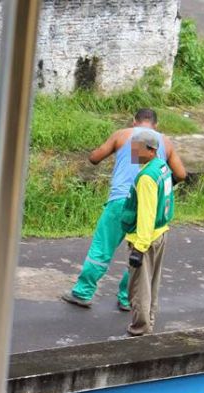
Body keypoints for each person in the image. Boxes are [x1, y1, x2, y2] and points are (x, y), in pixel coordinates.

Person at [61, 108, 186, 311]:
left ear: (134, 121)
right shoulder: (165, 142)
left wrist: (116, 153)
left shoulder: (122, 135)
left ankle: (82, 292)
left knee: (102, 249)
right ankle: (127, 298)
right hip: (147, 206)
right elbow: (180, 174)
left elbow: (94, 158)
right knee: (139, 250)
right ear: (156, 125)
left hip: (121, 200)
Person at [121, 130, 174, 335]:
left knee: (139, 287)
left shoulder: (146, 177)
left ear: (151, 150)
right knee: (152, 283)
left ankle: (140, 329)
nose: (134, 153)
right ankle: (149, 321)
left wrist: (139, 248)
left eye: (137, 149)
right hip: (160, 234)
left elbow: (146, 214)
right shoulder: (162, 167)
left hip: (146, 239)